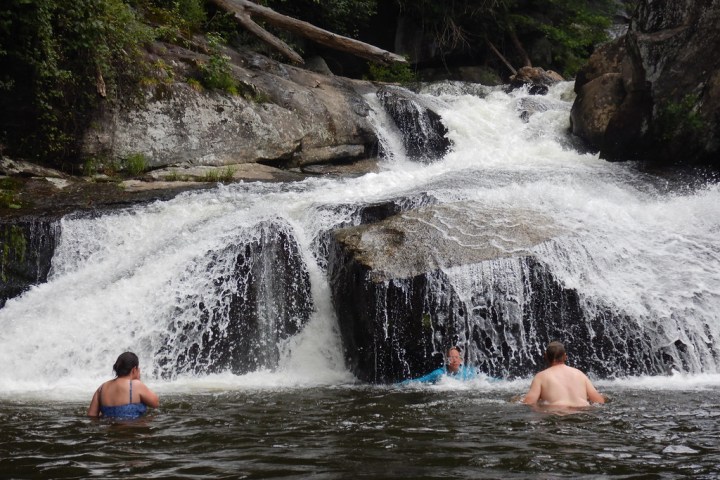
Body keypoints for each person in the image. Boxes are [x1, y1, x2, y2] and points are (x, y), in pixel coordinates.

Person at [522, 341, 605, 407]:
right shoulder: (579, 374)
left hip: (557, 412)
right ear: (565, 356)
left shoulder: (541, 376)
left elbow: (528, 402)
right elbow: (599, 401)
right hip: (582, 411)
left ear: (546, 356)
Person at [87, 351, 159, 419]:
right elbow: (155, 403)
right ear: (134, 369)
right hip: (133, 430)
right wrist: (138, 379)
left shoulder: (102, 388)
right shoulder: (136, 385)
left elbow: (92, 415)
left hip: (110, 430)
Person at [401, 347, 477, 384]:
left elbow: (484, 380)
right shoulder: (439, 373)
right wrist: (397, 386)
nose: (454, 360)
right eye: (451, 358)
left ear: (461, 360)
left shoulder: (468, 372)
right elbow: (419, 381)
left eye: (456, 357)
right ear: (447, 360)